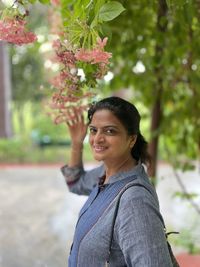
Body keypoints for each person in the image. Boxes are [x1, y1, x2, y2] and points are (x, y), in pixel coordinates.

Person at [61, 96, 174, 267]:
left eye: (109, 131)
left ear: (131, 139)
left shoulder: (135, 201)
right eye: (93, 130)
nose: (97, 139)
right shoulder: (106, 174)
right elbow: (75, 182)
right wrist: (77, 143)